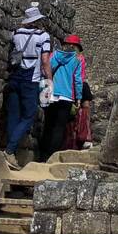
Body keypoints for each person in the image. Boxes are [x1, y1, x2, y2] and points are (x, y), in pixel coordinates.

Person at [3, 3, 52, 170]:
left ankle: (11, 154)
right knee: (29, 116)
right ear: (37, 20)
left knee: (13, 115)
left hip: (14, 77)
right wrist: (49, 81)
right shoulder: (43, 36)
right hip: (31, 80)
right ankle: (9, 150)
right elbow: (45, 61)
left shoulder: (16, 33)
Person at [41, 34, 85, 162]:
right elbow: (78, 80)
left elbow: (47, 68)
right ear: (76, 47)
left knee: (48, 125)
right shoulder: (78, 59)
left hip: (50, 94)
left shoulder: (54, 55)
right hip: (66, 96)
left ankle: (42, 156)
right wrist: (78, 98)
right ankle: (51, 157)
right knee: (59, 127)